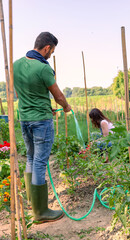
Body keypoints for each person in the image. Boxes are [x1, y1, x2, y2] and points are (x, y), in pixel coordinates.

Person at [14, 32, 71, 223]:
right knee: (40, 161)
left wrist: (44, 106)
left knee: (30, 157)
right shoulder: (43, 68)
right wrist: (66, 107)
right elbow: (59, 96)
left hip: (24, 119)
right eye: (51, 51)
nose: (51, 55)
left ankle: (32, 201)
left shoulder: (16, 65)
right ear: (46, 47)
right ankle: (41, 212)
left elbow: (29, 93)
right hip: (41, 121)